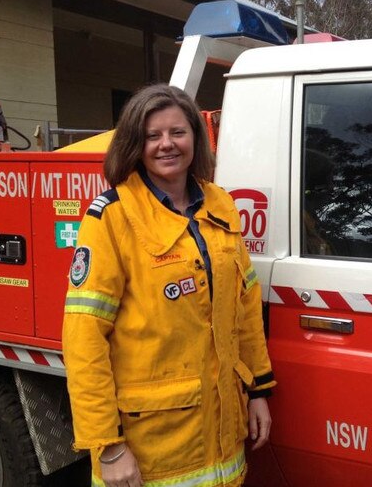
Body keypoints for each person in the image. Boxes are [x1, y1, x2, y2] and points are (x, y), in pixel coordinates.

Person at [62, 84, 276, 487]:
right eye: (152, 135)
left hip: (222, 434)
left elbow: (245, 307)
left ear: (196, 136)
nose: (166, 145)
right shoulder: (112, 217)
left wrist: (259, 389)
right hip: (148, 451)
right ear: (134, 144)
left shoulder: (221, 204)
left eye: (177, 132)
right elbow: (84, 339)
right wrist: (109, 447)